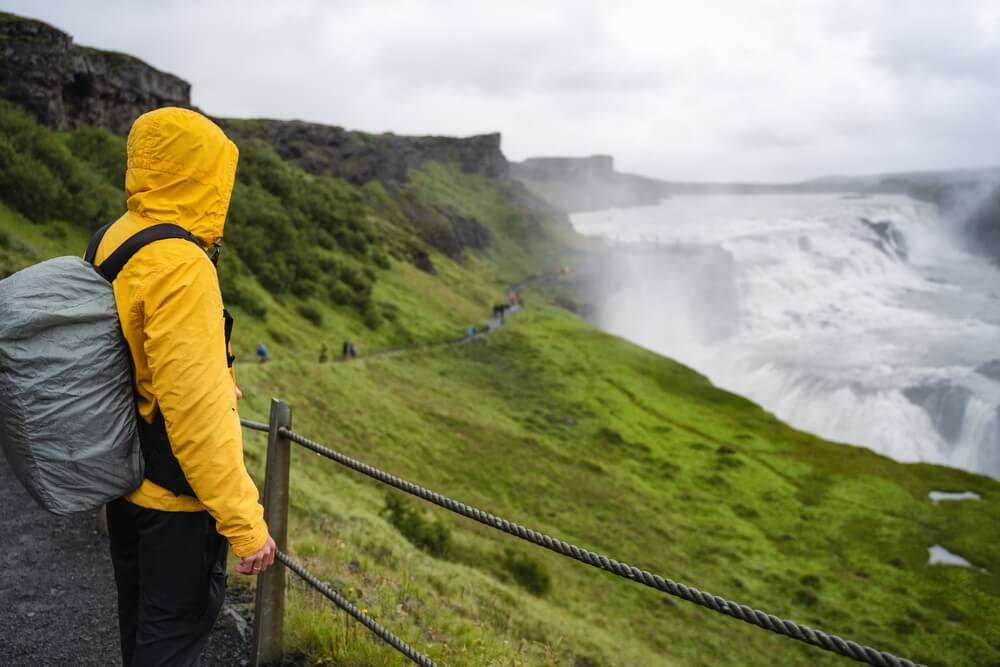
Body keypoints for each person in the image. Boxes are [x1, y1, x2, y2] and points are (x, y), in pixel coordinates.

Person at [91, 107, 275, 667]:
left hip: (124, 482)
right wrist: (245, 524)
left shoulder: (116, 236)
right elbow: (196, 410)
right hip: (174, 497)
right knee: (172, 639)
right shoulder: (182, 264)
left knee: (142, 632)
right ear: (205, 174)